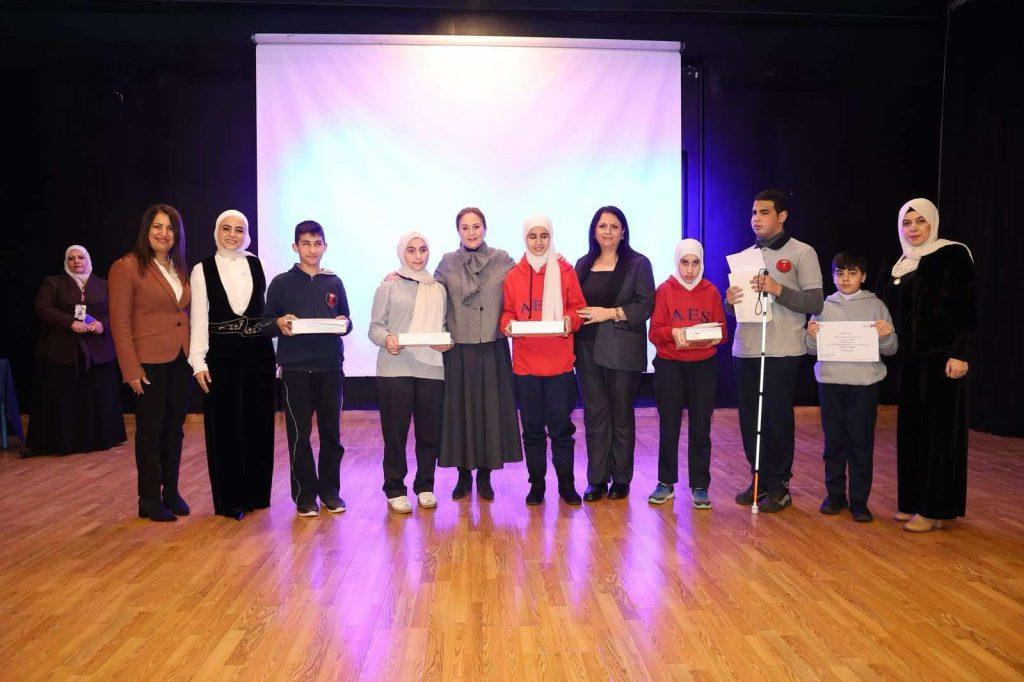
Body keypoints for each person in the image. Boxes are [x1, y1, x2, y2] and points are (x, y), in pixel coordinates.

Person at [877, 198, 975, 533]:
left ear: (933, 222)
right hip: (909, 361)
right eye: (907, 222)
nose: (913, 228)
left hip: (943, 359)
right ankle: (911, 501)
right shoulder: (899, 263)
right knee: (911, 432)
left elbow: (967, 307)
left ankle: (935, 508)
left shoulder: (952, 254)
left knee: (939, 435)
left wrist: (961, 353)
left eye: (921, 221)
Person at [725, 189, 823, 512]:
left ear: (782, 216)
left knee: (776, 418)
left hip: (782, 349)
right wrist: (730, 301)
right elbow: (735, 308)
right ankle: (759, 479)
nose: (756, 219)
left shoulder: (802, 252)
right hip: (747, 348)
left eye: (764, 212)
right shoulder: (744, 256)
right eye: (754, 212)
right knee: (749, 418)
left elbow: (814, 302)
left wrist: (777, 288)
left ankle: (779, 484)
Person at [188, 210, 276, 521]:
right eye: (226, 229)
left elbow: (266, 312)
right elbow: (199, 318)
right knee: (225, 428)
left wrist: (276, 354)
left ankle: (256, 494)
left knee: (258, 424)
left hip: (258, 354)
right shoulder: (202, 269)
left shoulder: (257, 263)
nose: (232, 235)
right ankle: (232, 500)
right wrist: (197, 361)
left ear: (246, 234)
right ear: (217, 232)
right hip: (221, 356)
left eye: (239, 230)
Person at [109, 204, 192, 522]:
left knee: (174, 430)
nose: (164, 233)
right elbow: (119, 323)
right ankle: (149, 498)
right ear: (146, 230)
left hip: (180, 359)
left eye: (170, 228)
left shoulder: (179, 267)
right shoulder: (126, 267)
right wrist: (130, 368)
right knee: (150, 431)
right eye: (157, 226)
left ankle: (170, 491)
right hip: (148, 362)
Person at [264, 220, 351, 517]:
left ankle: (330, 493)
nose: (312, 250)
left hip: (330, 368)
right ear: (295, 247)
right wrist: (279, 323)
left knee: (331, 436)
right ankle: (304, 496)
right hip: (295, 370)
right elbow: (265, 323)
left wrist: (344, 323)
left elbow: (346, 319)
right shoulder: (281, 283)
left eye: (317, 244)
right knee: (299, 436)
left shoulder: (334, 282)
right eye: (306, 244)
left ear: (325, 246)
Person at [434, 207, 522, 500]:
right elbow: (430, 295)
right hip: (459, 349)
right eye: (465, 227)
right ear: (457, 231)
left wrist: (552, 260)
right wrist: (397, 277)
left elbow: (526, 278)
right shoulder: (447, 262)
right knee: (460, 413)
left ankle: (485, 475)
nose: (471, 232)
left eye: (476, 226)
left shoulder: (502, 259)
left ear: (485, 228)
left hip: (493, 348)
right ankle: (463, 475)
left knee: (490, 413)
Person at [500, 213, 586, 506]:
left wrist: (570, 320)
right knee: (533, 431)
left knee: (562, 430)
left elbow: (577, 309)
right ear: (525, 238)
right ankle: (536, 485)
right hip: (526, 368)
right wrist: (507, 325)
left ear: (551, 237)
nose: (538, 242)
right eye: (533, 236)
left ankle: (566, 485)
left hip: (560, 366)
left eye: (544, 236)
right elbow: (507, 313)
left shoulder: (565, 271)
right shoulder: (513, 276)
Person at [806, 252, 897, 523]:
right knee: (833, 442)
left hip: (864, 386)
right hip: (831, 383)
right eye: (840, 273)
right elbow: (810, 349)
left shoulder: (876, 306)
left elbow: (891, 349)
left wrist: (885, 336)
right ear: (833, 277)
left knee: (861, 443)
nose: (846, 278)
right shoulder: (823, 306)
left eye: (853, 273)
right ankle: (835, 496)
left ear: (863, 277)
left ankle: (859, 501)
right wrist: (811, 336)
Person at [574, 206, 655, 502]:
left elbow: (645, 306)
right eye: (602, 226)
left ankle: (621, 479)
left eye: (613, 226)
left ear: (623, 232)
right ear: (594, 231)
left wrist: (608, 313)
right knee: (595, 415)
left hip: (622, 351)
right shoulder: (582, 264)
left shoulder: (638, 264)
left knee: (621, 415)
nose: (607, 231)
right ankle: (596, 480)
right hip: (586, 349)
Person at [369, 231, 451, 513]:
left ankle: (425, 486)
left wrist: (446, 342)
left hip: (431, 368)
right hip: (395, 369)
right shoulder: (388, 286)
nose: (418, 256)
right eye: (411, 250)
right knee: (395, 435)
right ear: (402, 253)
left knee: (429, 434)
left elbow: (442, 328)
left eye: (423, 249)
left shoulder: (439, 289)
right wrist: (387, 340)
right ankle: (394, 488)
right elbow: (375, 328)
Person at [647, 238, 727, 509]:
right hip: (670, 365)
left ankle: (700, 485)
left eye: (695, 263)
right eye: (684, 263)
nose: (690, 270)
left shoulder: (711, 291)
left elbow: (722, 331)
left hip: (703, 366)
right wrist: (673, 333)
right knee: (669, 424)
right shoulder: (664, 290)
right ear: (677, 262)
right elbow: (654, 332)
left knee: (701, 426)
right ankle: (665, 482)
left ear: (701, 263)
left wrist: (712, 336)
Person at [24, 245, 126, 456]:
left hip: (98, 351)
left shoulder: (105, 284)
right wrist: (70, 323)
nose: (77, 261)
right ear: (66, 262)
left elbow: (117, 310)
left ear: (88, 260)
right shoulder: (52, 283)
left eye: (81, 257)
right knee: (61, 397)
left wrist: (102, 325)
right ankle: (62, 442)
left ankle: (99, 439)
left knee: (98, 395)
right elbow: (43, 309)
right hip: (61, 352)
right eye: (71, 258)